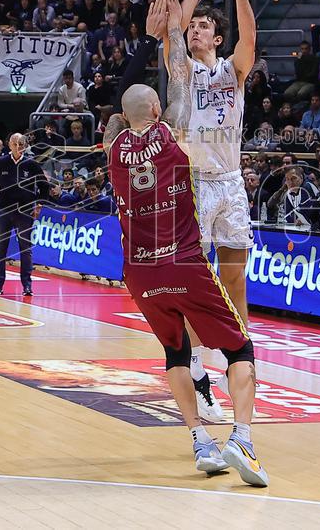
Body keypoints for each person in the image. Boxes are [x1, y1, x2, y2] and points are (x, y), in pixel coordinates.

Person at [103, 78, 267, 487]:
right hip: (183, 262)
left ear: (124, 119)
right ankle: (242, 439)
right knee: (239, 346)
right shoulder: (172, 133)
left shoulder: (113, 152)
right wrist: (174, 27)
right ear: (156, 112)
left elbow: (113, 126)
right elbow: (180, 89)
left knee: (175, 351)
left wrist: (122, 119)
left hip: (140, 273)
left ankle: (200, 441)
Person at [173, 0, 256, 421]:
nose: (195, 29)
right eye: (194, 25)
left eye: (203, 26)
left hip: (231, 185)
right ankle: (199, 376)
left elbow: (250, 35)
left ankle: (239, 367)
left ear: (217, 37)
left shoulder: (233, 71)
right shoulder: (183, 71)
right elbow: (171, 28)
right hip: (194, 184)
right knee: (194, 284)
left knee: (235, 281)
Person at [0, 133, 49, 296]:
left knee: (25, 249)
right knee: (0, 248)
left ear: (25, 146)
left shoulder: (31, 164)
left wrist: (39, 204)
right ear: (9, 145)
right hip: (4, 209)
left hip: (24, 211)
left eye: (21, 144)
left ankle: (27, 285)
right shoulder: (1, 162)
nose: (18, 147)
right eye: (15, 143)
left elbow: (44, 186)